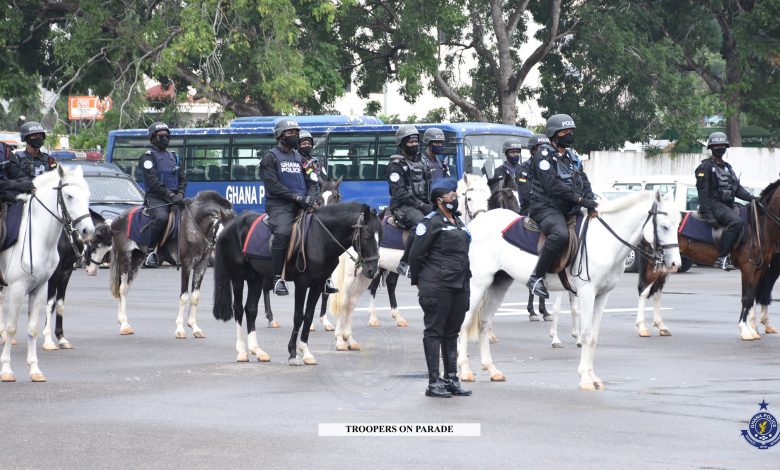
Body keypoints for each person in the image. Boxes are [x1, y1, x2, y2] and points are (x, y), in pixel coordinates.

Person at [409, 177, 472, 398]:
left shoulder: (459, 221)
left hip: (460, 283)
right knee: (435, 331)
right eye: (451, 196)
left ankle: (451, 378)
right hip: (437, 284)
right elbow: (416, 254)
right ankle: (434, 382)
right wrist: (418, 280)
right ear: (439, 200)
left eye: (455, 195)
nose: (455, 198)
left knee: (452, 332)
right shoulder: (430, 223)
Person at [526, 114, 597, 299]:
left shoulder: (572, 156)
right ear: (554, 134)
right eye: (565, 131)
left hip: (568, 207)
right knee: (560, 234)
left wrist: (590, 201)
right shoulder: (543, 154)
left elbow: (583, 180)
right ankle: (536, 277)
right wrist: (580, 201)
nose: (569, 134)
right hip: (545, 207)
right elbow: (552, 185)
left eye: (571, 131)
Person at [259, 119, 320, 295]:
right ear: (280, 136)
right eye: (291, 133)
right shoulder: (270, 157)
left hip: (303, 204)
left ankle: (325, 277)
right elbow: (272, 185)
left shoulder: (301, 158)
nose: (295, 136)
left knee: (325, 227)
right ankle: (278, 278)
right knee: (283, 233)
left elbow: (313, 181)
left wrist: (312, 198)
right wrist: (297, 197)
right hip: (280, 206)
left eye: (296, 132)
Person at [695, 131, 754, 271]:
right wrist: (709, 216)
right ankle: (721, 257)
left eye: (722, 144)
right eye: (717, 145)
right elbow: (703, 195)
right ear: (711, 147)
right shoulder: (705, 167)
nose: (720, 147)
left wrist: (752, 198)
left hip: (729, 205)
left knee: (749, 217)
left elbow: (737, 189)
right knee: (736, 222)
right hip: (714, 205)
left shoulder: (728, 167)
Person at [139, 122, 187, 268]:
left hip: (175, 198)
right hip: (156, 198)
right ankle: (150, 252)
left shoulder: (174, 157)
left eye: (167, 136)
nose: (165, 139)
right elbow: (154, 183)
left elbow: (183, 178)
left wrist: (180, 193)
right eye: (161, 137)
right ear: (152, 138)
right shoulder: (147, 158)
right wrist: (171, 196)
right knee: (161, 218)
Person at [387, 125, 432, 277]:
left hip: (423, 203)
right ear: (401, 143)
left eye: (415, 141)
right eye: (410, 142)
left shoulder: (423, 162)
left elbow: (428, 185)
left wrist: (433, 203)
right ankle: (405, 262)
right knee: (421, 224)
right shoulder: (395, 165)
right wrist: (421, 205)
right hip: (403, 205)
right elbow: (398, 192)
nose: (414, 144)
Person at [298, 129, 337, 294]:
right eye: (303, 143)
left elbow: (325, 182)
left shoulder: (317, 163)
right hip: (300, 202)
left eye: (309, 143)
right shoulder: (294, 161)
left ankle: (327, 276)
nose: (306, 146)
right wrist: (305, 201)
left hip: (317, 202)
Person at [5, 121, 58, 186]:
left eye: (40, 135)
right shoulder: (17, 158)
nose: (38, 138)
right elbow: (12, 179)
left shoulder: (50, 160)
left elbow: (56, 179)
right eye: (35, 136)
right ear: (26, 138)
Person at [518, 134, 551, 215]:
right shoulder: (524, 169)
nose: (544, 151)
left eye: (547, 148)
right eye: (540, 148)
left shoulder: (552, 166)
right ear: (532, 151)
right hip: (531, 209)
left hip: (553, 208)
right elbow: (526, 195)